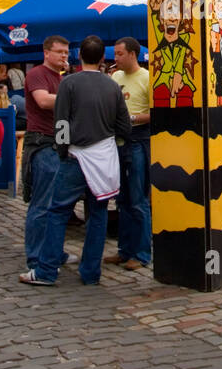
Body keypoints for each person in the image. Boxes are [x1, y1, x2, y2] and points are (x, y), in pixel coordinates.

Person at [22, 36, 131, 287]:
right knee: (98, 213)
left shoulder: (69, 83)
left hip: (74, 156)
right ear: (103, 58)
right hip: (103, 157)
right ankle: (91, 272)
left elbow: (61, 124)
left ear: (78, 56)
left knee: (58, 211)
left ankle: (46, 270)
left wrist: (62, 150)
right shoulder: (112, 86)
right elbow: (124, 125)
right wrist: (112, 140)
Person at [22, 35, 69, 269]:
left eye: (66, 53)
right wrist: (73, 96)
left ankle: (53, 252)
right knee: (41, 204)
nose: (64, 56)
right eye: (59, 52)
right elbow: (42, 101)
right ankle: (36, 257)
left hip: (59, 145)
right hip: (43, 144)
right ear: (46, 53)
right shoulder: (37, 74)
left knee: (56, 205)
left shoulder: (61, 79)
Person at [108, 37, 152, 271]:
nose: (115, 58)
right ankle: (124, 250)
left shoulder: (147, 78)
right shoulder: (115, 78)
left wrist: (130, 118)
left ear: (133, 54)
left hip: (138, 141)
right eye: (115, 54)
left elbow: (156, 113)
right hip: (118, 142)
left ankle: (142, 252)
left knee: (138, 199)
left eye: (119, 54)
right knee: (122, 199)